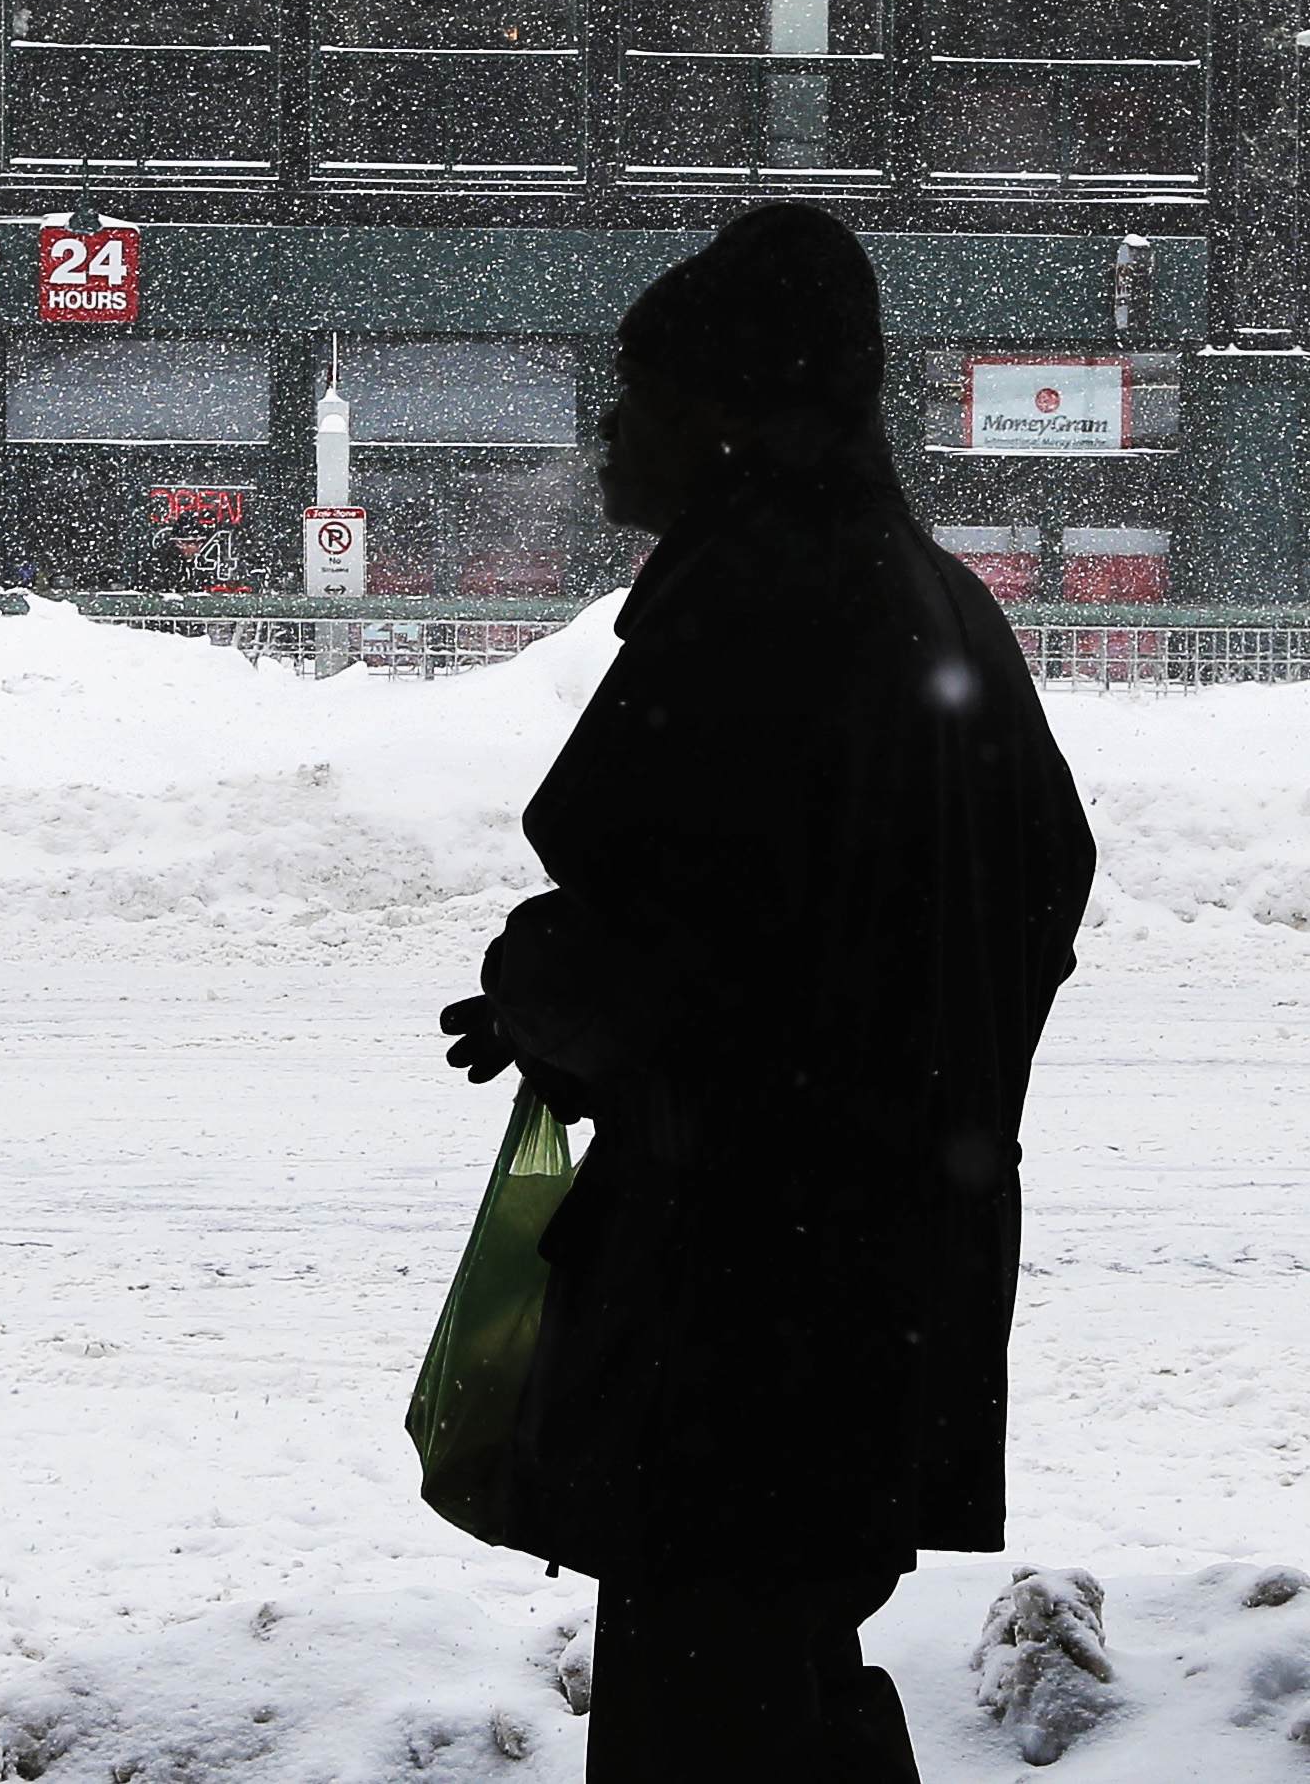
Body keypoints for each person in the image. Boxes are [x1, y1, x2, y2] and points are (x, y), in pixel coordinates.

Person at [437, 204, 1096, 1783]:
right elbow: (1017, 893)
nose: (606, 419)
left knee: (705, 1691)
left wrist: (544, 990)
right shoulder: (930, 597)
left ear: (727, 410)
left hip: (740, 1285)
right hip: (887, 1269)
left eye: (634, 382)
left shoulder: (757, 601)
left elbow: (679, 921)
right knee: (786, 1658)